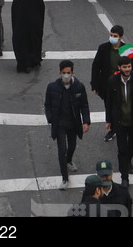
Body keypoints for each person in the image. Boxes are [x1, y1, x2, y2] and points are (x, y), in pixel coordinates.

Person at [43, 60, 91, 190]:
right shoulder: (52, 87)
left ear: (72, 73)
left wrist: (86, 121)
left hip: (73, 124)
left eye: (68, 73)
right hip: (59, 124)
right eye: (64, 73)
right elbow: (47, 105)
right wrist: (50, 118)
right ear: (60, 73)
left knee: (72, 146)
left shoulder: (79, 87)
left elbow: (84, 105)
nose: (66, 75)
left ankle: (69, 160)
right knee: (61, 150)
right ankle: (65, 178)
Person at [104, 56, 133, 185]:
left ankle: (127, 161)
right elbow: (109, 103)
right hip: (120, 122)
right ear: (119, 68)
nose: (128, 69)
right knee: (122, 149)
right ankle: (124, 177)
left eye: (129, 66)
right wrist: (108, 120)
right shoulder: (112, 81)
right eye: (125, 67)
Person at [90, 25, 126, 143]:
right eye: (111, 35)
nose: (112, 38)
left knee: (122, 107)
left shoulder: (127, 49)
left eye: (115, 36)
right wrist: (94, 85)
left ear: (121, 37)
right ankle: (112, 129)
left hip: (122, 85)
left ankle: (121, 127)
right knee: (109, 107)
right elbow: (96, 67)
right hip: (107, 86)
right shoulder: (103, 48)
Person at [11, 0, 45, 72]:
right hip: (34, 27)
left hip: (20, 27)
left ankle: (23, 63)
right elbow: (41, 9)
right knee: (34, 42)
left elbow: (14, 11)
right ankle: (34, 59)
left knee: (21, 44)